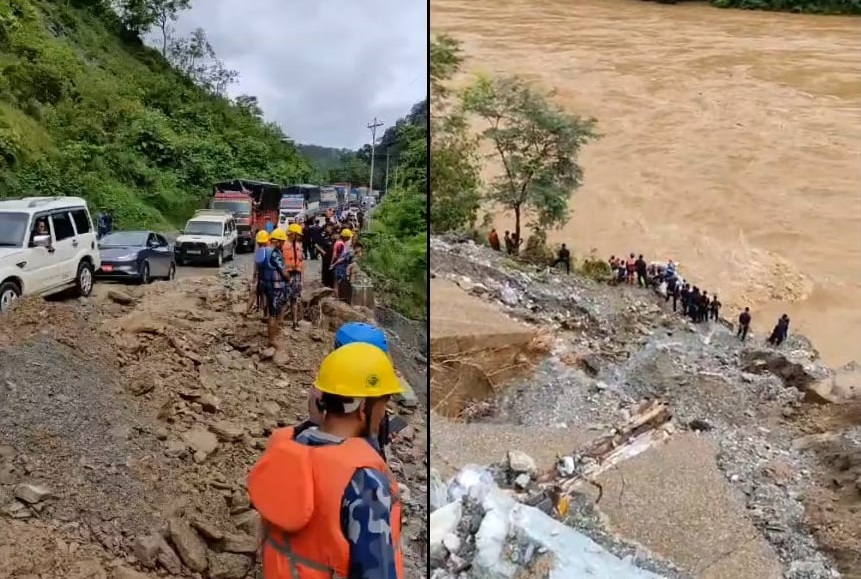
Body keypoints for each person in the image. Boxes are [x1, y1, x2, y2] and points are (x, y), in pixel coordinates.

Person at [247, 343, 405, 579]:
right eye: (383, 404)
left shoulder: (284, 446)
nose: (384, 415)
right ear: (363, 408)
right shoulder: (364, 480)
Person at [264, 229, 290, 347]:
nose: (283, 244)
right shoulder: (275, 253)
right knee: (274, 314)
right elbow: (283, 271)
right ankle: (271, 340)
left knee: (271, 311)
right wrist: (289, 279)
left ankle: (272, 336)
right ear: (278, 241)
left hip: (266, 284)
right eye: (283, 242)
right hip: (276, 286)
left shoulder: (264, 250)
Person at [281, 223, 305, 331]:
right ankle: (280, 322)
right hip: (286, 275)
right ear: (293, 234)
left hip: (296, 275)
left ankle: (295, 323)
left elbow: (301, 263)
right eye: (298, 234)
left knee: (294, 299)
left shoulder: (298, 246)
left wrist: (301, 279)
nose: (299, 236)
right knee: (284, 300)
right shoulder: (283, 245)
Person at [248, 230, 271, 318]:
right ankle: (265, 313)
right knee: (265, 295)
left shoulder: (259, 251)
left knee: (261, 294)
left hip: (262, 275)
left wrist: (254, 276)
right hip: (267, 276)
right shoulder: (270, 250)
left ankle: (254, 311)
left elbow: (256, 265)